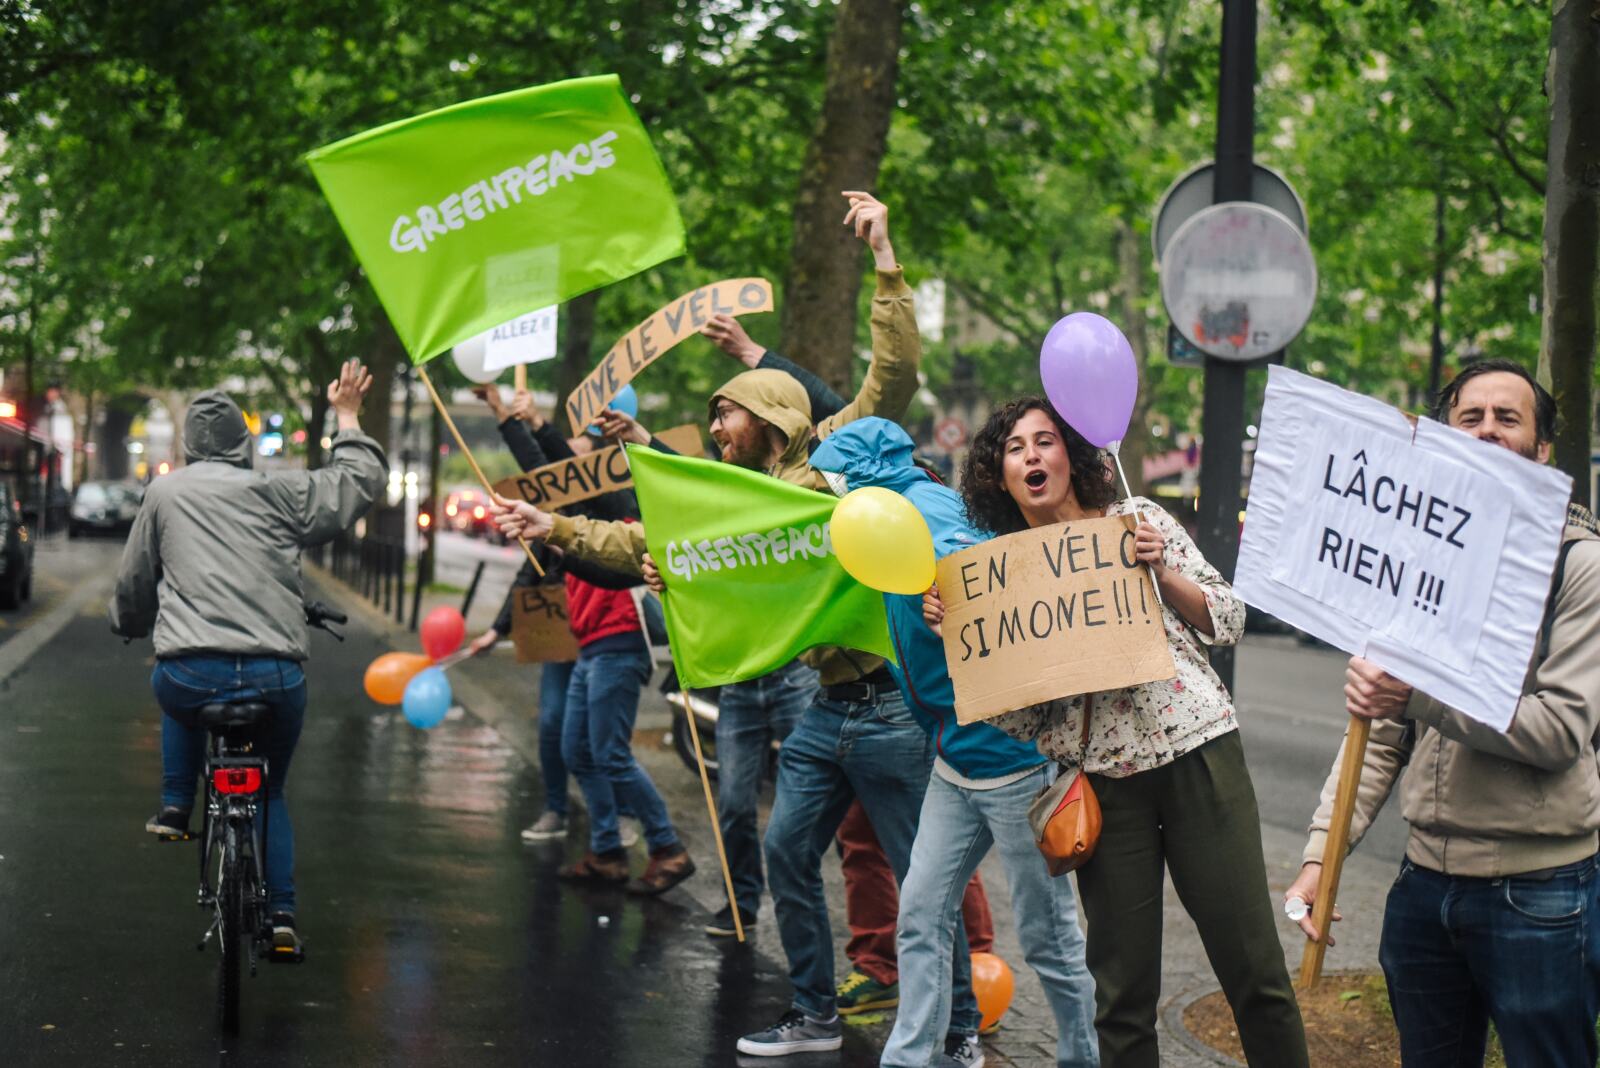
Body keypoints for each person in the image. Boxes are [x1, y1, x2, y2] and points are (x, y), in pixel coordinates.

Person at [492, 190, 971, 1058]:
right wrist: (552, 528)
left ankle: (964, 1032)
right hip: (830, 711)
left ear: (775, 417)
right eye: (711, 414)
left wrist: (886, 260)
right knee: (787, 854)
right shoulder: (723, 502)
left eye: (728, 412)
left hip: (889, 707)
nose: (714, 426)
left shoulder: (833, 461)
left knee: (922, 878)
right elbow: (634, 535)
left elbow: (892, 375)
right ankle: (815, 1014)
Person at [932, 397, 1308, 1068]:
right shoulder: (1000, 577)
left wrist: (1159, 571)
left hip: (1201, 761)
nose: (1031, 456)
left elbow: (1228, 617)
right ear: (999, 476)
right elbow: (1024, 722)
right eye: (1015, 449)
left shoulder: (1136, 521)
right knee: (1123, 997)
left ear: (1070, 457)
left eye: (1044, 441)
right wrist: (963, 639)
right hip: (1107, 791)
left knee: (1255, 971)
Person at [1286, 358, 1600, 1068]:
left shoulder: (1579, 568)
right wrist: (1319, 856)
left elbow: (1558, 731)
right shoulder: (1419, 556)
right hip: (1423, 891)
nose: (1487, 431)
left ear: (1543, 448)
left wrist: (1417, 693)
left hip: (1540, 897)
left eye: (1508, 418)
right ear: (1446, 437)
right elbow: (1379, 726)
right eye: (1470, 418)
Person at [814, 416, 1099, 1068]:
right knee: (919, 915)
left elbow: (980, 566)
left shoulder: (922, 512)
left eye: (834, 477)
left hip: (1012, 766)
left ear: (858, 475)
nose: (831, 490)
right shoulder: (889, 508)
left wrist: (963, 595)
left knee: (1047, 936)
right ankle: (907, 1059)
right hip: (952, 761)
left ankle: (1084, 1058)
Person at [110, 360, 388, 959]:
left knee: (175, 685)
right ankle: (283, 916)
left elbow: (136, 582)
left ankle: (176, 804)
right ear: (244, 443)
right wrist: (346, 415)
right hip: (275, 673)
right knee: (272, 792)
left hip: (191, 671)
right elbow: (356, 481)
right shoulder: (279, 490)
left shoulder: (162, 494)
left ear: (186, 446)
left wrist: (130, 623)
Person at [464, 386, 642, 849]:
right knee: (555, 726)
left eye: (576, 457)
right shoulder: (551, 513)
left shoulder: (616, 495)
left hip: (606, 624)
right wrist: (496, 629)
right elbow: (530, 564)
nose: (562, 469)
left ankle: (623, 820)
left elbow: (554, 462)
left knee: (601, 741)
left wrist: (535, 423)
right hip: (561, 620)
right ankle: (561, 810)